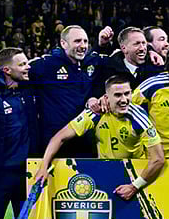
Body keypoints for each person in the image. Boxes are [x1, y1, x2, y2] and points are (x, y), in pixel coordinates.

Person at [35, 76, 165, 200]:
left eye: (127, 94)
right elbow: (59, 138)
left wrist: (134, 186)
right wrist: (43, 167)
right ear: (106, 97)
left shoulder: (138, 117)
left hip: (135, 174)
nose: (124, 100)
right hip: (105, 171)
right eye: (118, 95)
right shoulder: (96, 113)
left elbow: (158, 159)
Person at [28, 24, 113, 155]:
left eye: (85, 41)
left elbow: (110, 61)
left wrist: (102, 45)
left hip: (84, 139)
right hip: (54, 142)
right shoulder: (46, 64)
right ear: (63, 43)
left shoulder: (89, 62)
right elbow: (17, 69)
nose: (83, 45)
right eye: (77, 41)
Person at [0, 47, 38, 219]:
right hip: (1, 174)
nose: (28, 67)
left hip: (26, 173)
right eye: (22, 64)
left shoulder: (27, 90)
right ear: (7, 70)